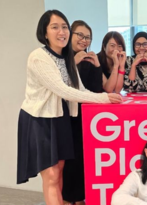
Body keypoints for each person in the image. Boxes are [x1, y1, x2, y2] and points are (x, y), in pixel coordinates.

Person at [16, 10, 122, 205]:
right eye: (55, 27)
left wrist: (104, 96)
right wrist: (104, 99)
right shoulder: (39, 57)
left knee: (58, 175)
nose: (61, 31)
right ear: (44, 32)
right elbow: (64, 91)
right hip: (40, 119)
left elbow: (79, 88)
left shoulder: (66, 58)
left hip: (60, 118)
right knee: (51, 176)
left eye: (64, 27)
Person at [62, 20, 102, 205]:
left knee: (81, 160)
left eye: (88, 37)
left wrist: (96, 67)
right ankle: (67, 198)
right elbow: (60, 88)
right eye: (80, 35)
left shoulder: (89, 58)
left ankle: (80, 198)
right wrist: (71, 63)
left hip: (84, 119)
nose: (84, 40)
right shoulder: (61, 57)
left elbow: (95, 91)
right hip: (63, 118)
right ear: (70, 34)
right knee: (67, 162)